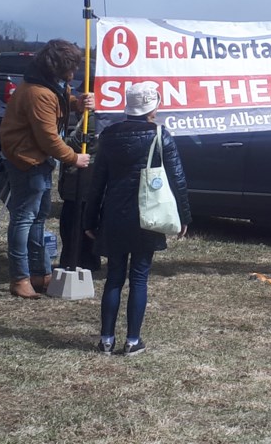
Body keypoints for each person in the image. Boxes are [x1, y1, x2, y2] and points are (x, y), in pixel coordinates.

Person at [84, 82, 191, 356]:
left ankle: (106, 339)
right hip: (149, 215)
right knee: (140, 278)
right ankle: (133, 340)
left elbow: (97, 182)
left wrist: (89, 220)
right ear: (153, 107)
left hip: (114, 214)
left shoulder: (108, 135)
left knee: (114, 278)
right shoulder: (160, 135)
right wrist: (184, 215)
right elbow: (177, 178)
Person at [0, 40, 93, 299]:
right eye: (69, 69)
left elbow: (59, 105)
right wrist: (74, 158)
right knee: (24, 218)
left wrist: (76, 103)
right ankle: (19, 278)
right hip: (27, 160)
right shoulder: (38, 93)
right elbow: (48, 139)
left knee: (39, 217)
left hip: (40, 160)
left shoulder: (50, 86)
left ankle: (41, 273)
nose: (73, 75)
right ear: (56, 68)